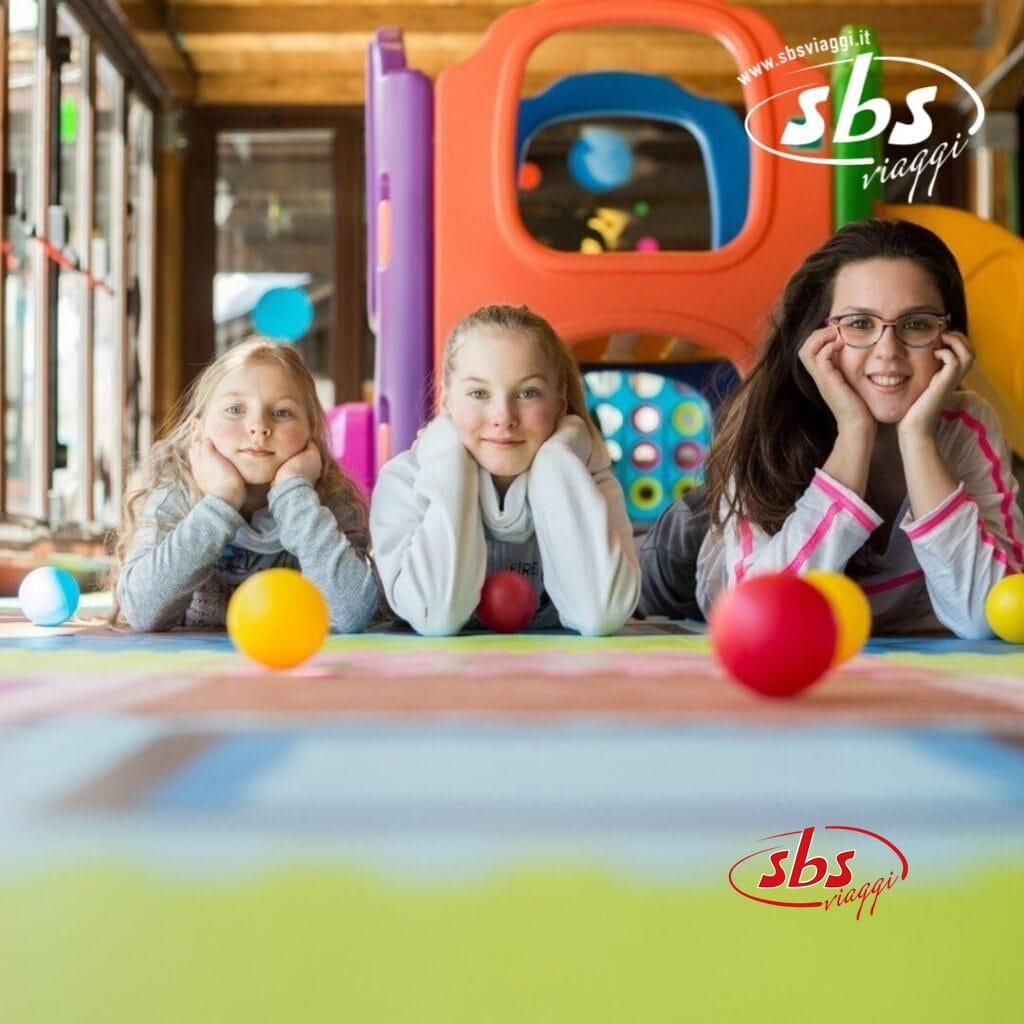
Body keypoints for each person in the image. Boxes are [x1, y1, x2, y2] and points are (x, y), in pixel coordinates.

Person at [692, 218, 1023, 639]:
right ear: (819, 337)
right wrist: (854, 432)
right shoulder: (767, 424)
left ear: (948, 337)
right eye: (860, 324)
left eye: (916, 324)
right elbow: (767, 614)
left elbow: (987, 614)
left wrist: (917, 437)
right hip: (697, 554)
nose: (888, 352)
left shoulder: (966, 424)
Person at [370, 304, 640, 636]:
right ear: (447, 400)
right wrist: (450, 460)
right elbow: (435, 613)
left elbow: (601, 613)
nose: (503, 416)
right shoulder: (403, 482)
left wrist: (556, 463)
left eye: (528, 393)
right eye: (478, 393)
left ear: (559, 400)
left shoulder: (586, 479)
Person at [112, 339, 379, 632]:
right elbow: (141, 611)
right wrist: (221, 500)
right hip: (195, 671)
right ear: (197, 431)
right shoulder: (177, 492)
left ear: (311, 433)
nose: (258, 426)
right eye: (236, 409)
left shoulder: (326, 498)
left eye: (282, 412)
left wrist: (293, 493)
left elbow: (352, 613)